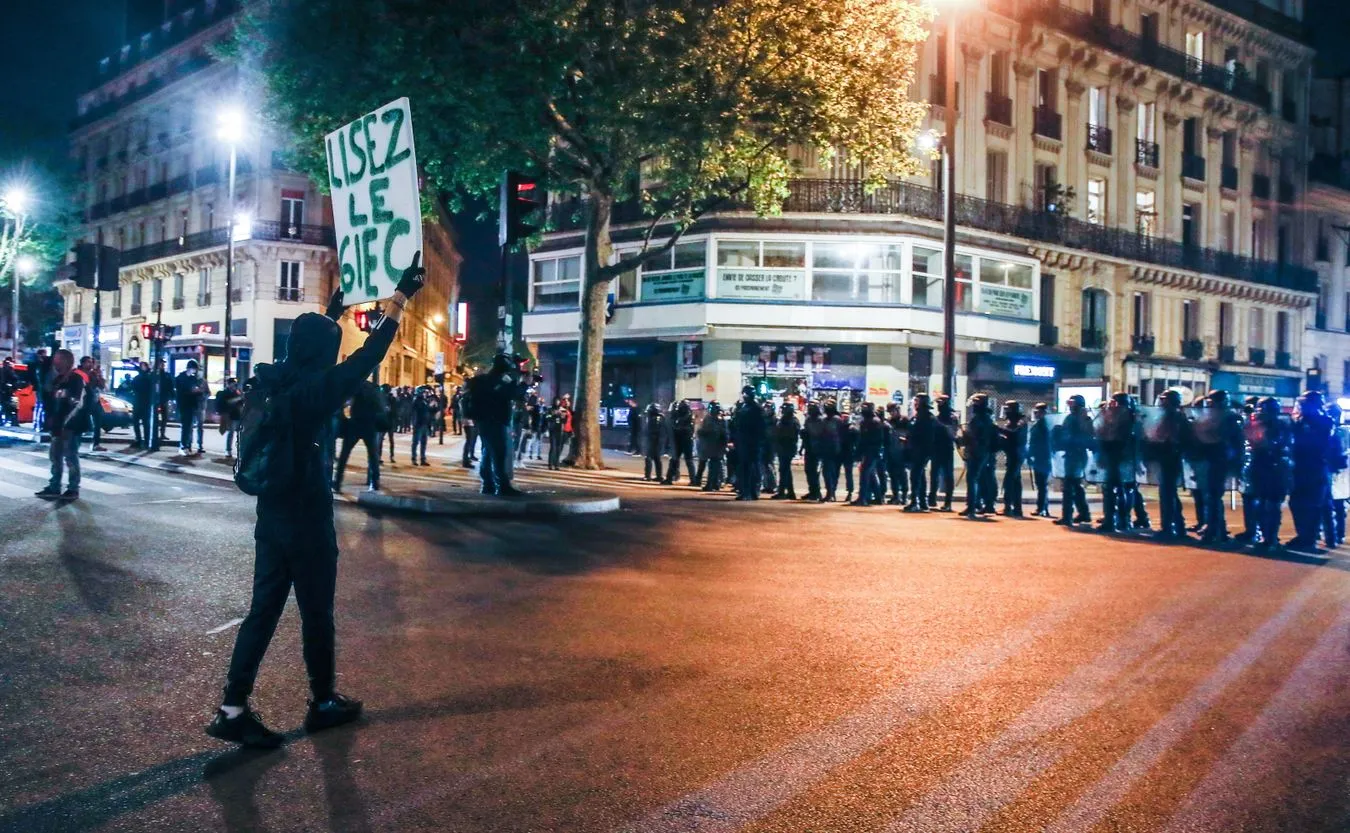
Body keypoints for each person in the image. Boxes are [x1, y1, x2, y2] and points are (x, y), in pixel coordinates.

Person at [207, 256, 425, 748]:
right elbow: (367, 357)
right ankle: (323, 700)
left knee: (262, 611)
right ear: (323, 353)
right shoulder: (315, 393)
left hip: (271, 515)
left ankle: (232, 707)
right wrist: (400, 297)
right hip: (306, 515)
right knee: (316, 612)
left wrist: (336, 307)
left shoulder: (271, 381)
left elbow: (316, 347)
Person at [465, 353, 528, 496]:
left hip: (485, 421)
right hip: (495, 421)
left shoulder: (486, 380)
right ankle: (503, 485)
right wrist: (523, 384)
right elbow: (511, 394)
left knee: (488, 453)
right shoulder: (497, 380)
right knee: (499, 454)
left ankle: (488, 484)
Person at [34, 349, 87, 500]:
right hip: (58, 426)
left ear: (66, 361)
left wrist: (64, 423)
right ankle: (54, 486)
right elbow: (51, 400)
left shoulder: (76, 379)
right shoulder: (58, 380)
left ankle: (73, 488)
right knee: (55, 457)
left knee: (70, 457)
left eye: (57, 359)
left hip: (70, 426)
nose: (54, 362)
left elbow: (77, 404)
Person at [1287, 390, 1336, 551]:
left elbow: (1321, 443)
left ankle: (1309, 539)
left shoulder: (1324, 421)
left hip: (1316, 467)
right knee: (1297, 503)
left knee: (1314, 505)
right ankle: (1303, 536)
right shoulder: (1298, 422)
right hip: (1300, 467)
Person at [1242, 397, 1292, 550]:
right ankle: (1265, 536)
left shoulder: (1281, 425)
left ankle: (1271, 538)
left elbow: (1281, 445)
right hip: (1260, 466)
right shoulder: (1255, 424)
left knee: (1271, 504)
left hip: (1275, 467)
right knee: (1260, 504)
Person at [1195, 389, 1244, 544]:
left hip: (1220, 458)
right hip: (1211, 457)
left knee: (1213, 496)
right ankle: (1214, 527)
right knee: (1210, 495)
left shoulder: (1229, 417)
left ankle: (1216, 529)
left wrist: (1237, 462)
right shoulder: (1213, 415)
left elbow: (1234, 441)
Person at [1148, 390, 1194, 540]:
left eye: (1164, 400)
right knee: (1169, 493)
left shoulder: (1176, 417)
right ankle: (1177, 526)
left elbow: (1179, 438)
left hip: (1171, 457)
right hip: (1166, 456)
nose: (1161, 402)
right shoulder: (1168, 416)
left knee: (1168, 493)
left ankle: (1169, 527)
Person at [1096, 393, 1141, 532]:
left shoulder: (1127, 417)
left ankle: (1119, 519)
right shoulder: (1120, 416)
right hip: (1116, 456)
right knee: (1117, 488)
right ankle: (1118, 519)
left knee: (1121, 488)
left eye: (1114, 402)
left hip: (1123, 456)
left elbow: (1120, 436)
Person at [332, 379, 385, 492]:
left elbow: (346, 404)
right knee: (373, 456)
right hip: (370, 426)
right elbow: (381, 407)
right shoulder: (374, 389)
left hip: (355, 424)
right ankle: (374, 483)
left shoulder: (355, 386)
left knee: (344, 455)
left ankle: (337, 482)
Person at [1052, 394, 1094, 526]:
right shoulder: (1075, 417)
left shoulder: (1081, 418)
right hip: (1073, 453)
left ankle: (1067, 516)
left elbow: (1085, 435)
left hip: (1076, 454)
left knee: (1069, 485)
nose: (1070, 405)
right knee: (1076, 485)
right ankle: (1084, 514)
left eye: (1072, 403)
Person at [958, 394, 996, 518]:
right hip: (980, 452)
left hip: (977, 452)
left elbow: (974, 436)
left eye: (975, 403)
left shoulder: (981, 419)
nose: (973, 406)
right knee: (979, 479)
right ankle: (977, 505)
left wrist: (962, 435)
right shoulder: (984, 418)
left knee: (972, 479)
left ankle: (972, 507)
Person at [731, 387, 765, 500]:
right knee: (744, 467)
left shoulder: (756, 408)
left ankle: (751, 492)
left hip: (752, 442)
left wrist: (758, 441)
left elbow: (760, 427)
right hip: (743, 441)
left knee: (752, 468)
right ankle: (746, 491)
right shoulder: (744, 407)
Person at [904, 394, 936, 512]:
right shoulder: (918, 416)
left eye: (917, 401)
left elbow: (927, 436)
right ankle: (922, 502)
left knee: (915, 476)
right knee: (919, 476)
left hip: (922, 451)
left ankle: (915, 502)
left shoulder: (928, 418)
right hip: (916, 449)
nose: (915, 404)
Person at [998, 401, 1028, 518]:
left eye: (1008, 409)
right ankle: (1017, 508)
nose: (1006, 411)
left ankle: (1008, 507)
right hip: (1012, 454)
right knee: (1015, 482)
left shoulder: (1021, 421)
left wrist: (999, 430)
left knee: (1009, 481)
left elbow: (1014, 434)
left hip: (1017, 454)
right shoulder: (1011, 421)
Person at [852, 402, 885, 506]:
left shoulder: (875, 422)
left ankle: (863, 498)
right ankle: (878, 498)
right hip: (867, 451)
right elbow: (862, 439)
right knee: (870, 474)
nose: (863, 410)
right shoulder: (865, 421)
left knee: (865, 474)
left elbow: (877, 440)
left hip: (872, 451)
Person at [929, 394, 957, 511]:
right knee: (934, 474)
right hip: (936, 448)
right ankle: (932, 499)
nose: (938, 405)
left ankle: (948, 502)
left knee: (948, 476)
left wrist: (938, 425)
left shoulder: (952, 416)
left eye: (940, 403)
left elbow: (952, 433)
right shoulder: (938, 416)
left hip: (946, 448)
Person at [174, 359, 207, 455]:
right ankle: (183, 445)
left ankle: (187, 445)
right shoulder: (180, 378)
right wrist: (191, 391)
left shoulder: (193, 378)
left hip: (192, 404)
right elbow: (180, 392)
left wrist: (198, 391)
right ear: (190, 368)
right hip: (184, 404)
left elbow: (198, 390)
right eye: (194, 369)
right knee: (186, 426)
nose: (195, 371)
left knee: (188, 427)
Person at [1027, 402, 1053, 517]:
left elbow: (1038, 443)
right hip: (1041, 456)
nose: (1037, 414)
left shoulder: (1044, 425)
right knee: (1041, 484)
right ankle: (1043, 507)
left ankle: (1042, 507)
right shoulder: (1041, 424)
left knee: (1042, 484)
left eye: (1039, 412)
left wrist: (1031, 454)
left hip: (1043, 457)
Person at [78, 357, 108, 452]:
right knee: (80, 424)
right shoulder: (79, 373)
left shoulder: (94, 373)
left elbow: (102, 386)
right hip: (83, 401)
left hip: (94, 400)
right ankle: (76, 444)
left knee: (98, 423)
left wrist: (99, 376)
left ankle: (96, 444)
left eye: (91, 362)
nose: (90, 364)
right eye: (88, 362)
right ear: (82, 363)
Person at [696, 402, 728, 491]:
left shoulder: (713, 420)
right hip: (715, 446)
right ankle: (715, 483)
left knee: (714, 465)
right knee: (716, 465)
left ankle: (712, 484)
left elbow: (707, 432)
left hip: (714, 446)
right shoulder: (719, 419)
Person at [664, 399, 697, 485]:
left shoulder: (687, 416)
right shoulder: (685, 415)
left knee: (683, 460)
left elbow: (678, 426)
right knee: (680, 460)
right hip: (683, 440)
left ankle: (670, 478)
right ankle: (670, 478)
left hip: (683, 439)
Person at [771, 402, 800, 499]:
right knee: (785, 470)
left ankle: (783, 491)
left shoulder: (791, 421)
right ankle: (788, 492)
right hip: (783, 447)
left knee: (784, 469)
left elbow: (790, 435)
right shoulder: (784, 420)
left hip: (787, 447)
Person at [883, 402, 909, 506]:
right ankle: (895, 496)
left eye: (892, 411)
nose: (891, 413)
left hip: (901, 452)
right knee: (892, 474)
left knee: (902, 474)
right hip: (891, 451)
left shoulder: (905, 420)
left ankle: (904, 496)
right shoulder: (889, 421)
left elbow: (910, 435)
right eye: (890, 412)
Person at [800, 401, 827, 502]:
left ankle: (816, 493)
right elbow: (806, 433)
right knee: (808, 470)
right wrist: (802, 446)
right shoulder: (808, 419)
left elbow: (820, 434)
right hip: (809, 448)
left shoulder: (821, 420)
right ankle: (812, 491)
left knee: (815, 472)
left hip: (818, 449)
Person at [216, 377, 245, 459]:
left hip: (238, 415)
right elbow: (228, 402)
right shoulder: (224, 393)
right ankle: (228, 450)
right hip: (230, 415)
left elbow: (241, 402)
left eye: (235, 384)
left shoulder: (237, 392)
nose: (234, 385)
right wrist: (239, 398)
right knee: (231, 433)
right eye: (232, 383)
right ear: (228, 384)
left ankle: (241, 451)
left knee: (241, 433)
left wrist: (241, 398)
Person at [411, 386, 437, 466]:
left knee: (423, 442)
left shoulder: (424, 401)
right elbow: (417, 411)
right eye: (424, 392)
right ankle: (414, 458)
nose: (426, 394)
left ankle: (422, 459)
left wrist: (433, 406)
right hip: (418, 424)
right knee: (416, 442)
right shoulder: (417, 401)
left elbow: (429, 410)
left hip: (425, 424)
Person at [642, 402, 666, 481]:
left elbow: (653, 430)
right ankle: (659, 476)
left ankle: (648, 475)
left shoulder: (655, 419)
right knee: (656, 458)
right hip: (658, 440)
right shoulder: (660, 418)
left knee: (648, 457)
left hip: (654, 440)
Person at [759, 401, 777, 495]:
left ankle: (773, 485)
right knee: (763, 465)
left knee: (769, 465)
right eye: (765, 407)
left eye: (768, 408)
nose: (766, 409)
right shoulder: (763, 419)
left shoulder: (774, 420)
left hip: (771, 444)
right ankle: (767, 485)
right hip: (764, 443)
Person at [545, 397, 567, 470]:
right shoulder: (550, 408)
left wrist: (562, 416)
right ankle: (550, 464)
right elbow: (547, 417)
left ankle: (556, 464)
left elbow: (565, 420)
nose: (557, 402)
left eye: (558, 401)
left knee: (558, 448)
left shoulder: (562, 409)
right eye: (556, 401)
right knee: (553, 447)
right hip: (552, 429)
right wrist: (553, 414)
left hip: (559, 429)